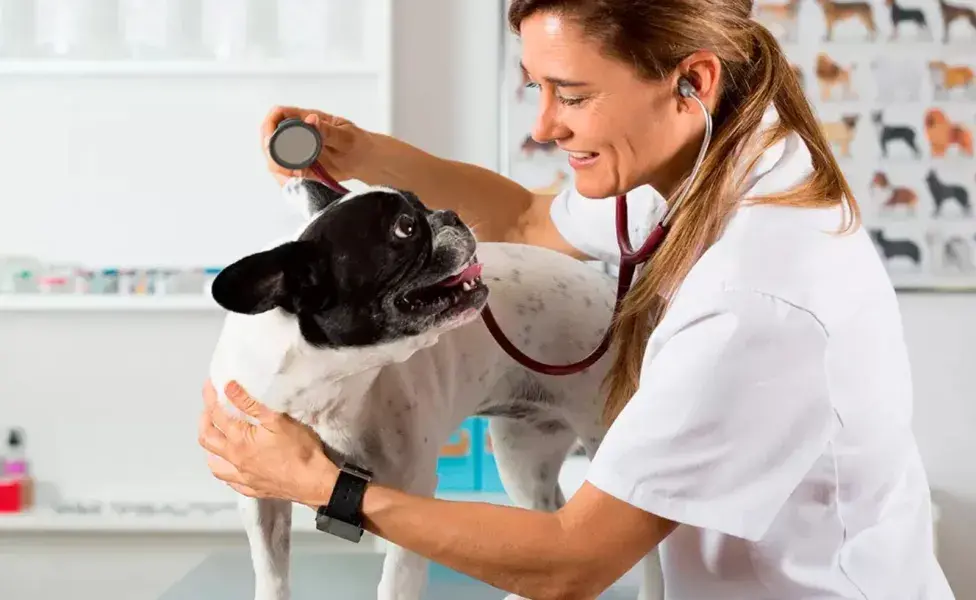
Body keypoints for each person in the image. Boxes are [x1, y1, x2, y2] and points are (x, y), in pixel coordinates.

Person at [197, 1, 954, 598]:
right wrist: (364, 152)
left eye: (574, 94)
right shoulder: (711, 162)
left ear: (693, 82)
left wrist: (322, 487)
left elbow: (571, 563)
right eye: (537, 88)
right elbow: (529, 218)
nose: (544, 124)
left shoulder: (755, 299)